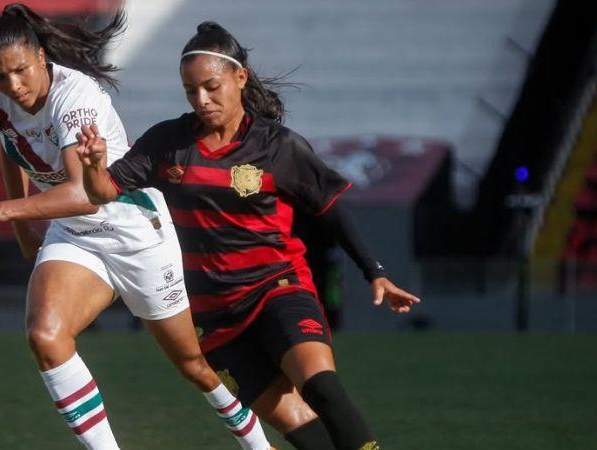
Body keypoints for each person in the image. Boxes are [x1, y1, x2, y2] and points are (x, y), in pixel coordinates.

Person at [77, 21, 421, 450]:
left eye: (211, 86)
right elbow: (101, 192)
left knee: (322, 389)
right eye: (190, 91)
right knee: (300, 428)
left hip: (277, 288)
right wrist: (92, 165)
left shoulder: (279, 147)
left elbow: (331, 210)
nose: (201, 100)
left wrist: (375, 271)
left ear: (240, 77)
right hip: (213, 316)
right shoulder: (167, 142)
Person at [0, 5, 272, 449]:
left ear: (41, 56)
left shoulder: (75, 97)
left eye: (20, 71)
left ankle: (258, 444)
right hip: (74, 234)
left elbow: (86, 193)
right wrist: (24, 229)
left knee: (195, 365)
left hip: (134, 231)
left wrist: (1, 212)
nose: (12, 86)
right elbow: (10, 148)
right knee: (46, 335)